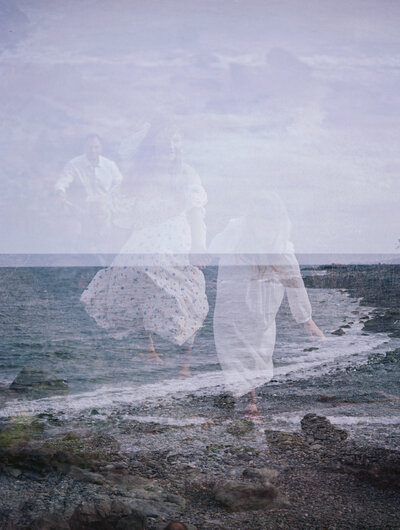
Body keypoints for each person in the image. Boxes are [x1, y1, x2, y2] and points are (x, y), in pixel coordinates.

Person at [80, 125, 209, 372]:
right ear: (151, 150)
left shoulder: (186, 174)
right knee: (128, 279)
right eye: (164, 145)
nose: (170, 149)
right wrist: (112, 254)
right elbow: (123, 222)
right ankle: (147, 348)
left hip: (174, 239)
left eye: (175, 144)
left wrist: (198, 245)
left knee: (188, 295)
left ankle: (184, 365)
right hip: (142, 241)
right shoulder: (135, 179)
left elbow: (195, 212)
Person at [211, 191, 324, 420]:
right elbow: (214, 247)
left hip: (260, 308)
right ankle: (248, 400)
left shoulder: (280, 244)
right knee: (232, 351)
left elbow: (293, 279)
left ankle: (245, 398)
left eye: (269, 216)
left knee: (256, 352)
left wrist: (306, 319)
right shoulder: (237, 232)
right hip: (232, 306)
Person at [55, 134, 124, 252]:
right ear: (84, 148)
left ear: (101, 148)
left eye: (96, 147)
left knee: (107, 242)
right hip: (85, 210)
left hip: (105, 209)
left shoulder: (109, 165)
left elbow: (120, 183)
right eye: (89, 147)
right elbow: (63, 180)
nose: (93, 150)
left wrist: (113, 199)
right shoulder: (74, 164)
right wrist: (61, 191)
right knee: (86, 244)